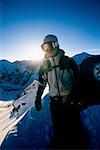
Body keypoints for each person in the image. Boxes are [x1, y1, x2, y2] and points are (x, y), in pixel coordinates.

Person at [35, 34, 81, 148]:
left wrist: (78, 96)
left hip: (71, 99)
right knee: (58, 128)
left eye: (50, 46)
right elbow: (42, 83)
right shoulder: (44, 66)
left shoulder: (68, 61)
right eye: (45, 47)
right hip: (55, 102)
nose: (48, 49)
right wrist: (38, 98)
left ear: (56, 45)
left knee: (74, 126)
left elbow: (78, 79)